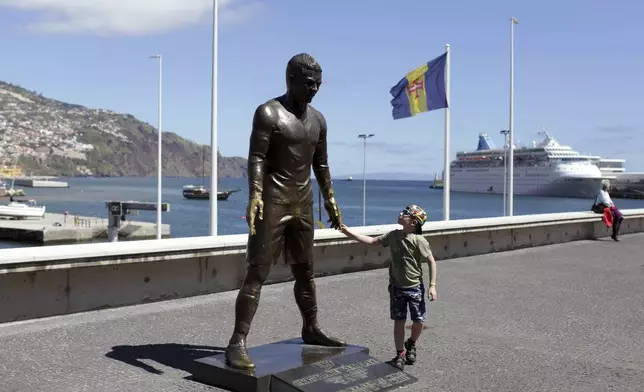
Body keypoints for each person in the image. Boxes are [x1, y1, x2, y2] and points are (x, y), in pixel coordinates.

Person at [224, 53, 345, 371]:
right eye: (308, 83)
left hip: (303, 204)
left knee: (306, 271)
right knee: (257, 272)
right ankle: (237, 340)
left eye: (318, 84)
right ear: (290, 79)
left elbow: (321, 164)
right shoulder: (268, 113)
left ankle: (311, 327)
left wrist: (330, 199)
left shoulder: (319, 120)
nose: (314, 89)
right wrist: (255, 195)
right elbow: (256, 157)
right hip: (273, 203)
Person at [340, 204, 437, 370]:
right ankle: (400, 353)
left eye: (405, 213)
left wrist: (432, 286)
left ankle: (411, 343)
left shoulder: (419, 240)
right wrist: (348, 232)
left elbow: (431, 261)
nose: (400, 213)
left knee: (419, 321)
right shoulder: (393, 236)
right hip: (397, 288)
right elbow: (371, 241)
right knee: (399, 322)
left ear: (413, 222)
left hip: (414, 287)